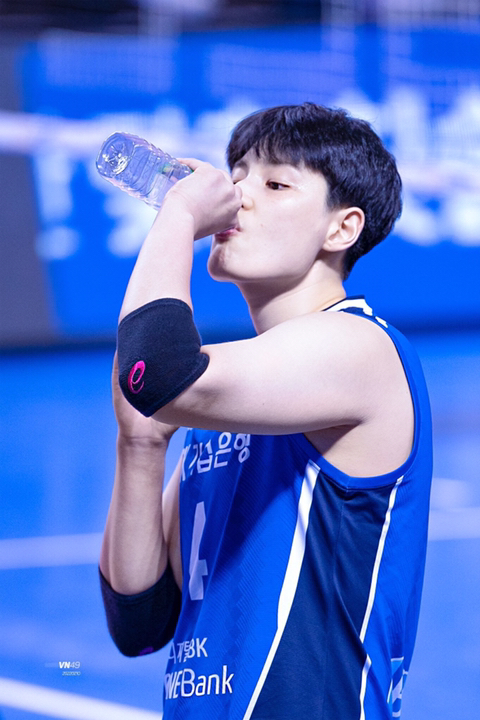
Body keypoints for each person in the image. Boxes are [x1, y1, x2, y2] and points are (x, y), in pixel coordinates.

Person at [99, 103, 432, 719]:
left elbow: (156, 369)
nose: (238, 197)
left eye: (275, 185)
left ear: (341, 229)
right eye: (236, 176)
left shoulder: (359, 346)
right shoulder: (237, 392)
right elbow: (139, 622)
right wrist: (140, 446)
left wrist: (178, 214)